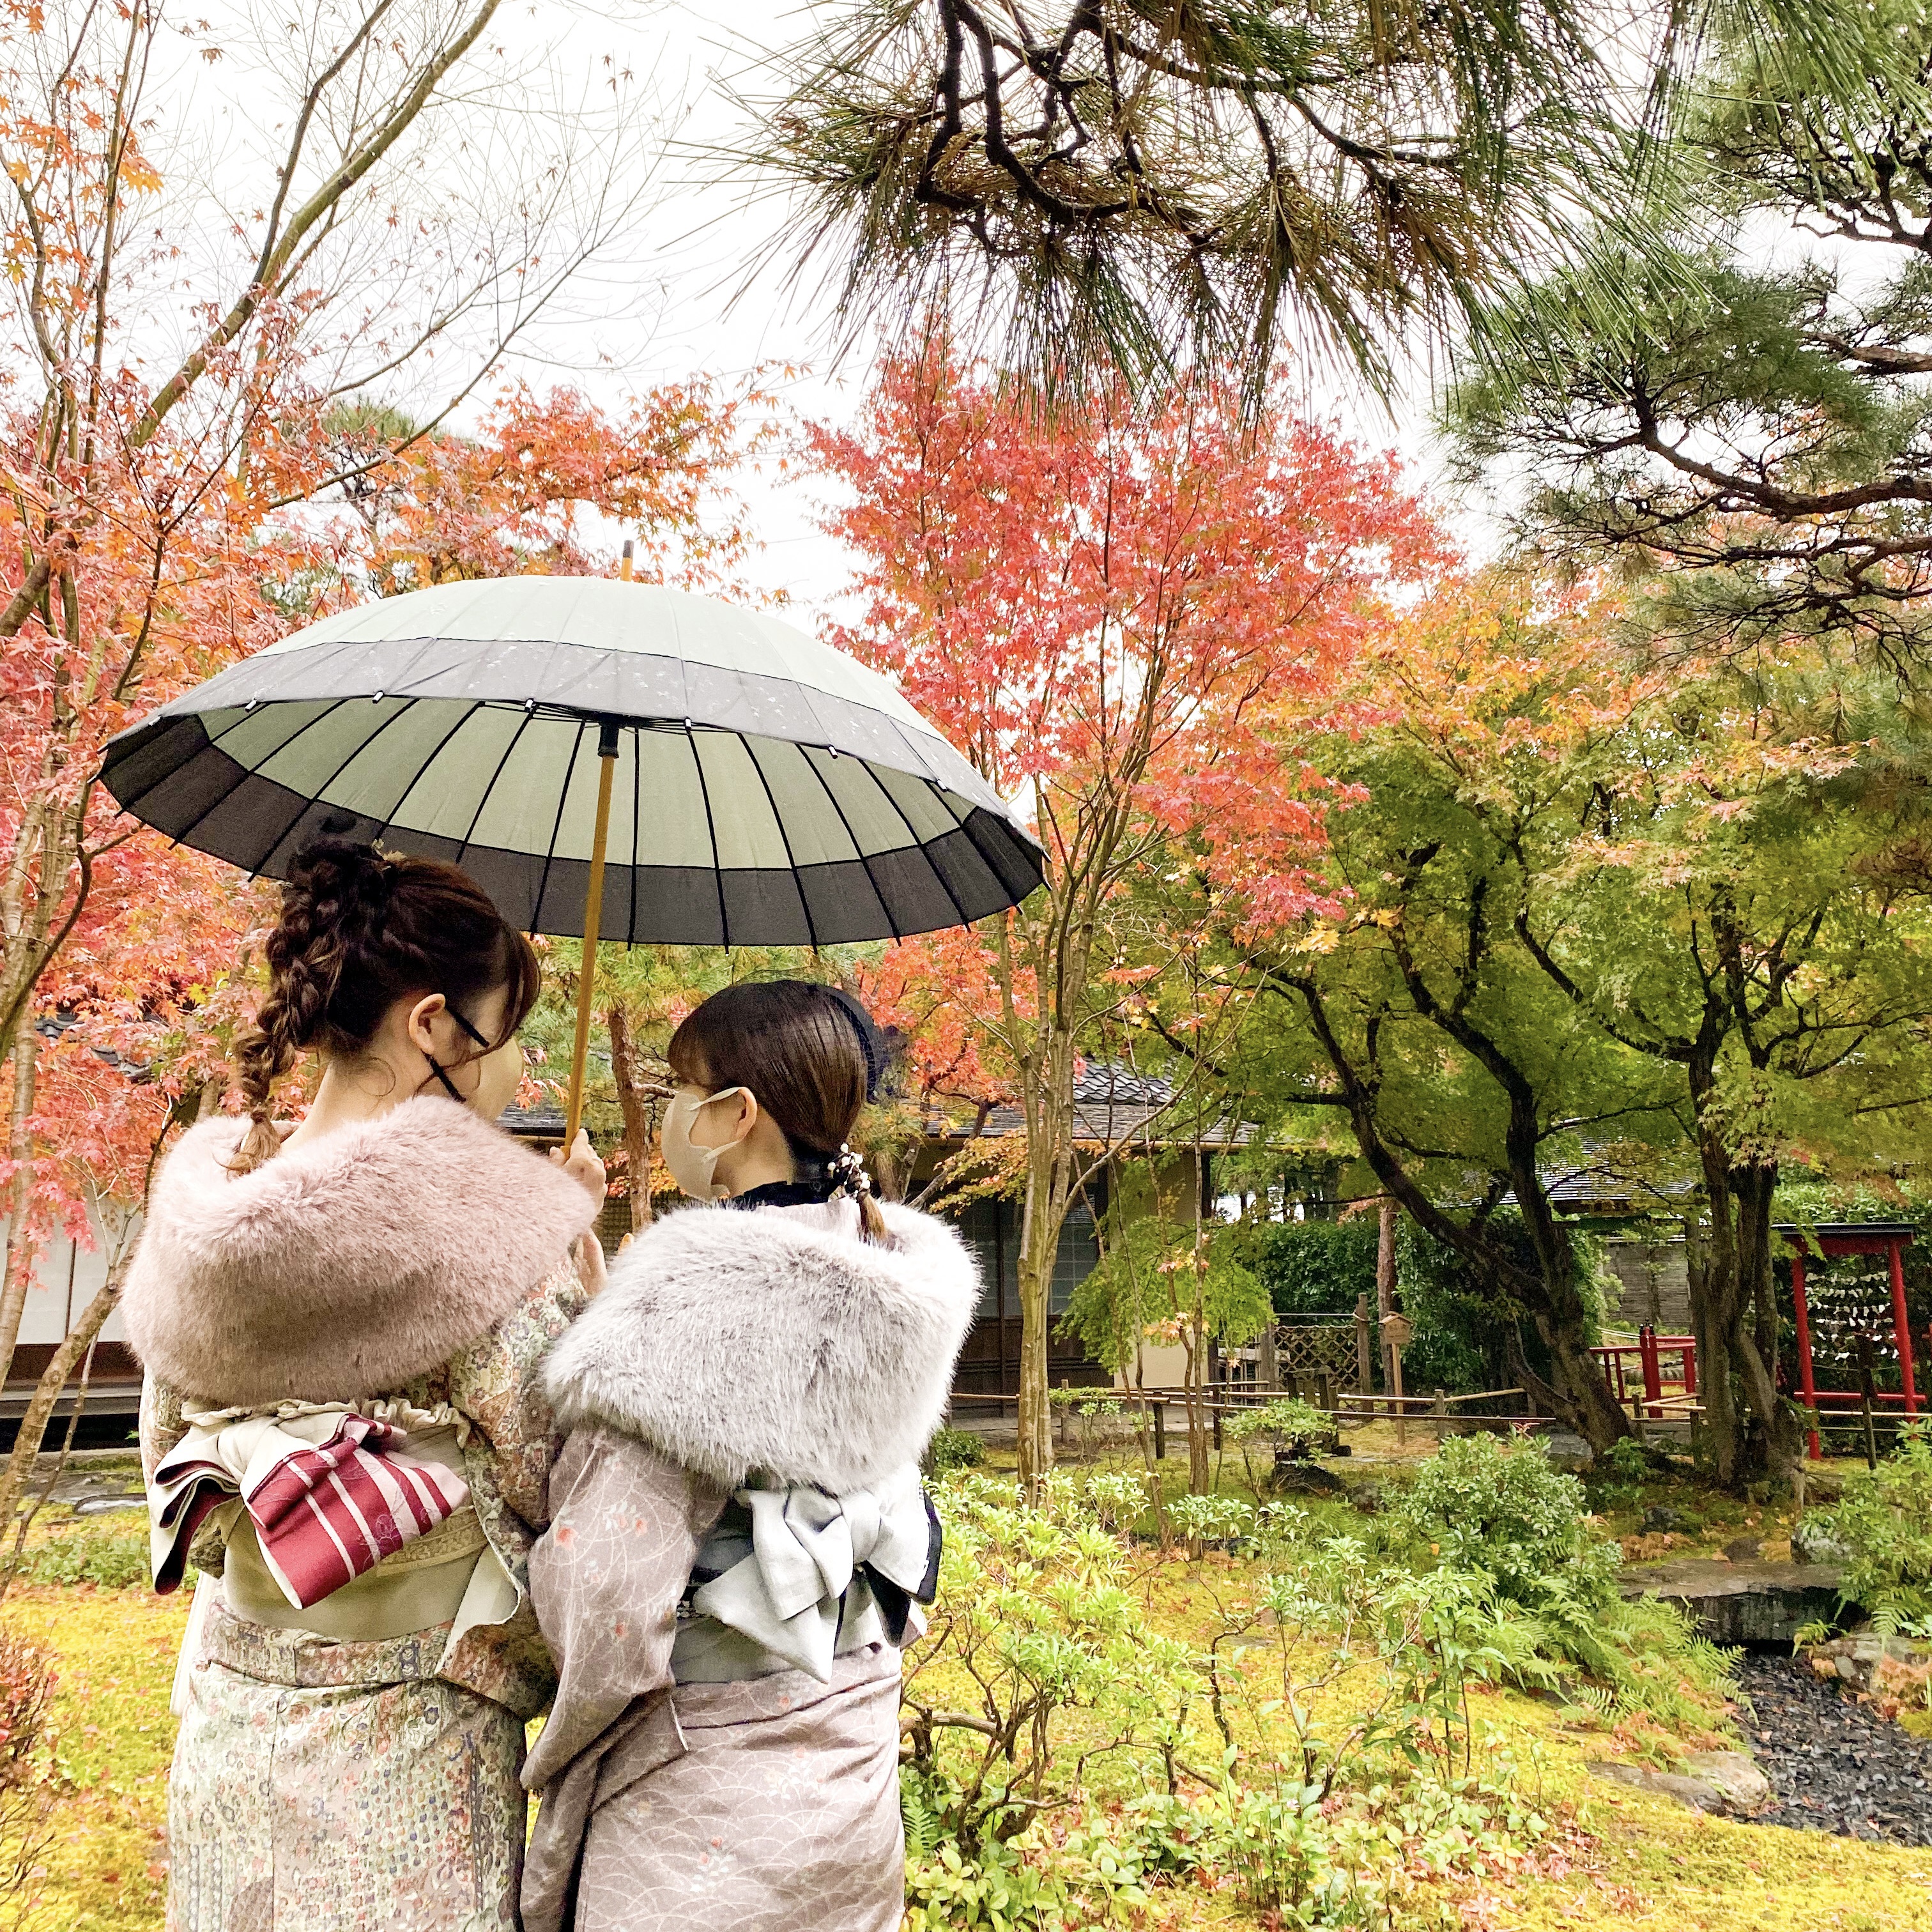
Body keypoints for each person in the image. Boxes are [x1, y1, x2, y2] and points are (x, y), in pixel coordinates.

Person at [123, 839, 608, 1932]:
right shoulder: (488, 1235)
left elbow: (167, 1456)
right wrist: (573, 1265)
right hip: (412, 1755)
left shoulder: (213, 1208)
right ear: (434, 1025)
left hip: (235, 1720)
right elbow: (557, 1480)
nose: (520, 1073)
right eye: (507, 1038)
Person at [518, 979, 979, 1932]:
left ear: (734, 1115)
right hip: (851, 1760)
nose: (668, 1115)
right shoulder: (892, 1273)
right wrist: (614, 1300)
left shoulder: (685, 1306)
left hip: (704, 1794)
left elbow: (603, 1585)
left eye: (680, 1091)